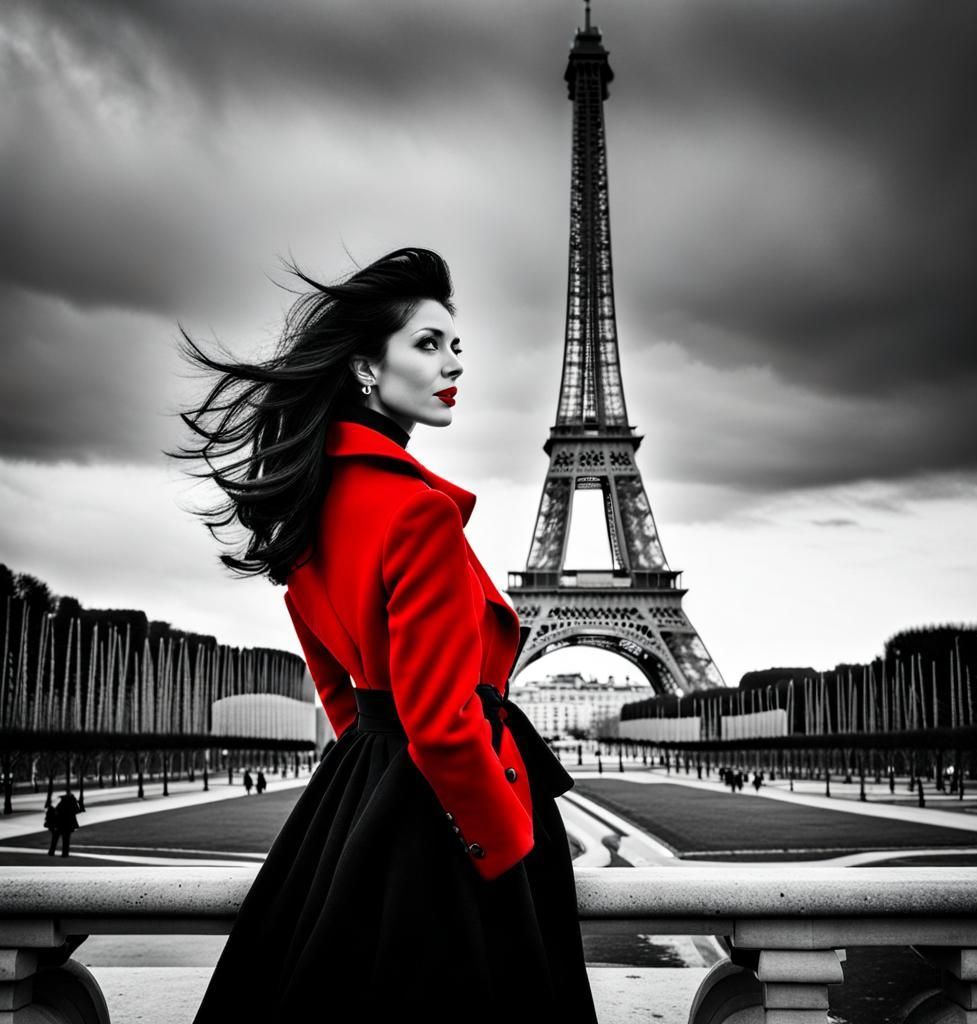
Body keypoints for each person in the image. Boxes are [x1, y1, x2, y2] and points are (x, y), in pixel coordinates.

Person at [173, 248, 597, 1023]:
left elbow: (337, 686)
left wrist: (375, 762)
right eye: (427, 344)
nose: (451, 363)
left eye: (456, 345)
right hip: (451, 819)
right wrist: (508, 844)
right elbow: (439, 721)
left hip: (361, 796)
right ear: (367, 368)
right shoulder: (419, 512)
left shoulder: (304, 505)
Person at [47, 791, 79, 858]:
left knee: (55, 838)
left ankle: (51, 852)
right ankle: (65, 853)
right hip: (68, 824)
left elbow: (53, 811)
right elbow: (76, 811)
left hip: (59, 823)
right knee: (66, 839)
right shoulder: (72, 801)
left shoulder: (60, 801)